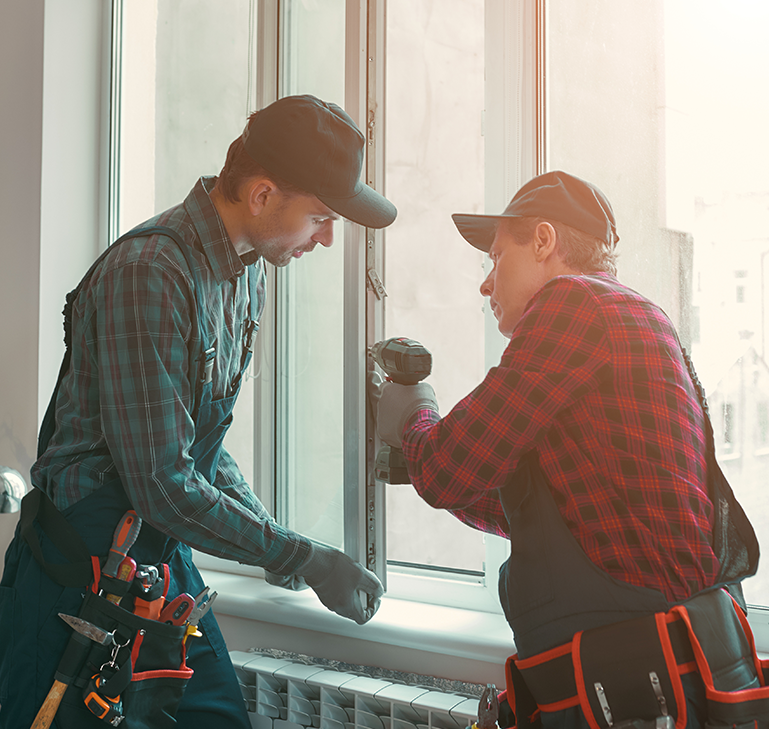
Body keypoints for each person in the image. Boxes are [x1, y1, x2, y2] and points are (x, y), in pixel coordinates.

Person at [0, 94, 391, 729]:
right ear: (261, 195)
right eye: (319, 219)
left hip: (158, 557)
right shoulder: (151, 271)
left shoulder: (245, 271)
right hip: (84, 566)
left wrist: (270, 543)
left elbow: (198, 443)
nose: (323, 240)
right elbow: (163, 482)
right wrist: (304, 557)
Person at [371, 170, 762, 728]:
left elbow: (450, 470)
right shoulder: (640, 319)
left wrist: (415, 416)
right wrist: (417, 459)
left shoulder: (575, 303)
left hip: (637, 673)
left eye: (496, 257)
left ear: (544, 241)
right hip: (679, 668)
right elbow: (541, 512)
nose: (486, 285)